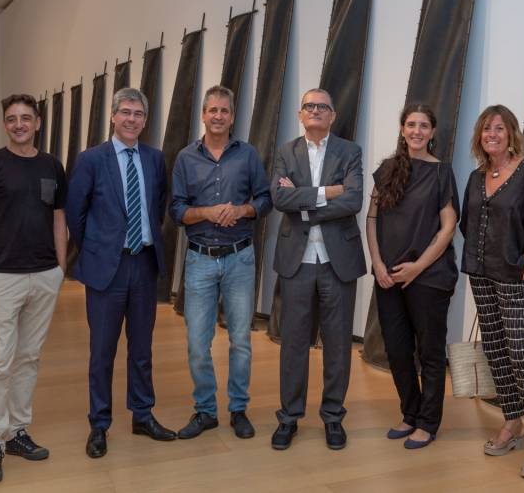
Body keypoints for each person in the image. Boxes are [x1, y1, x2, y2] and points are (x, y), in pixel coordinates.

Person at [66, 88, 175, 459]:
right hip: (106, 269)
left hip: (143, 263)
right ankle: (99, 423)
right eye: (125, 112)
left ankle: (142, 414)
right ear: (113, 117)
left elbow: (157, 206)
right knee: (102, 351)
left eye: (138, 114)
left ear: (145, 120)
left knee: (142, 348)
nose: (131, 119)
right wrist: (99, 248)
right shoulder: (90, 160)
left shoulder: (155, 159)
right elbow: (75, 215)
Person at [0, 93, 67, 484]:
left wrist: (61, 267)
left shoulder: (52, 165)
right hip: (3, 277)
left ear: (38, 122)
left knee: (28, 358)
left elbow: (59, 217)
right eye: (12, 119)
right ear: (5, 124)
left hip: (45, 275)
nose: (20, 124)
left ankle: (17, 433)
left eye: (26, 118)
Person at [460, 104, 524, 479]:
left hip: (516, 277)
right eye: (486, 129)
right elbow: (471, 224)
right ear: (480, 137)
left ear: (511, 133)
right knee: (497, 352)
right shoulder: (475, 177)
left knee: (521, 354)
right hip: (482, 274)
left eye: (499, 129)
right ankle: (513, 421)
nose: (492, 135)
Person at [170, 85, 272, 440]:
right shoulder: (185, 158)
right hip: (200, 261)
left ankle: (238, 409)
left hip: (240, 259)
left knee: (241, 341)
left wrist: (242, 210)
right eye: (211, 110)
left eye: (224, 111)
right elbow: (177, 210)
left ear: (232, 116)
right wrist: (206, 213)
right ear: (203, 114)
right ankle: (205, 411)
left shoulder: (247, 155)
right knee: (198, 342)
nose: (217, 116)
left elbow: (264, 199)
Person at [270, 88, 367, 450]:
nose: (315, 111)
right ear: (300, 114)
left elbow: (354, 200)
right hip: (296, 261)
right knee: (293, 343)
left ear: (332, 115)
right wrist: (329, 192)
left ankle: (332, 418)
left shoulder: (350, 151)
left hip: (337, 261)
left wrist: (305, 201)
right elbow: (280, 199)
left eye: (322, 107)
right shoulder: (285, 152)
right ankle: (289, 418)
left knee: (338, 344)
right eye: (309, 106)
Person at [365, 104, 458, 449]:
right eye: (410, 124)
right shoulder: (387, 169)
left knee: (430, 353)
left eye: (423, 125)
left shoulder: (441, 173)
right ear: (402, 129)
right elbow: (372, 219)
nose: (416, 130)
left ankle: (428, 422)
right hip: (388, 277)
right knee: (398, 350)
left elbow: (449, 226)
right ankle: (410, 413)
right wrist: (376, 263)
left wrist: (418, 267)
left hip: (429, 277)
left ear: (432, 132)